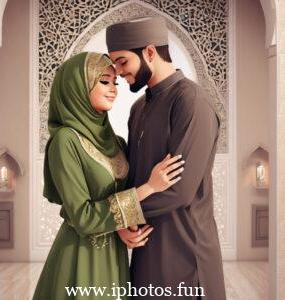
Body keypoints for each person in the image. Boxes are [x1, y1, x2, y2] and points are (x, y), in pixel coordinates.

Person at [32, 51, 184, 300]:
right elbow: (82, 217)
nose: (114, 88)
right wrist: (149, 188)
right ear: (77, 87)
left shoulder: (116, 143)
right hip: (80, 257)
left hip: (114, 255)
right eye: (104, 81)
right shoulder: (65, 141)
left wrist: (122, 229)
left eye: (115, 82)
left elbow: (115, 201)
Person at [106, 17, 226, 299]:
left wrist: (117, 218)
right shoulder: (138, 109)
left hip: (185, 253)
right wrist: (125, 223)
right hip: (146, 249)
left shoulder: (191, 102)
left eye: (123, 62)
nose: (120, 73)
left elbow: (179, 190)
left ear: (149, 52)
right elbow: (136, 178)